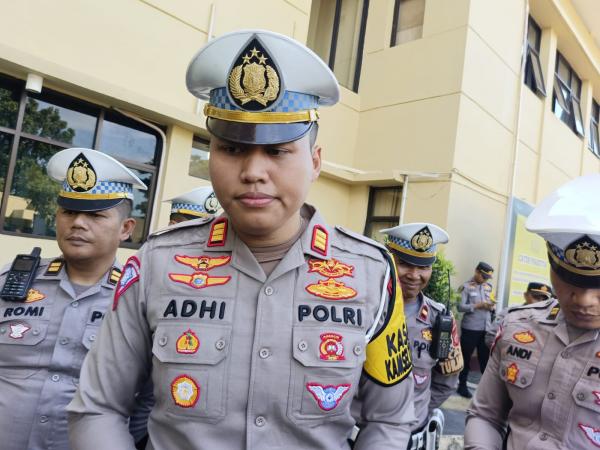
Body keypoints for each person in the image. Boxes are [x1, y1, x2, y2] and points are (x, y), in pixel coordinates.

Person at [67, 29, 416, 450]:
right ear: (209, 156)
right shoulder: (157, 263)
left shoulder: (372, 273)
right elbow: (98, 407)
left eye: (278, 151)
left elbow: (390, 421)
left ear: (315, 161)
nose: (253, 171)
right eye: (232, 149)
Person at [0, 148, 144, 450]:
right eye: (69, 212)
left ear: (126, 229)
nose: (78, 223)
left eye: (95, 215)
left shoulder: (139, 298)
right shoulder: (8, 282)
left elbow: (150, 401)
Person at [464, 174, 600, 449]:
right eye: (571, 283)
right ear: (551, 270)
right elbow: (485, 415)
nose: (584, 300)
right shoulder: (518, 326)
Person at [381, 223, 464, 450]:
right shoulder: (366, 308)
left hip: (411, 436)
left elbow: (447, 381)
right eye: (405, 264)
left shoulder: (440, 320)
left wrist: (416, 412)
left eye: (424, 267)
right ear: (389, 260)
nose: (414, 275)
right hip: (357, 431)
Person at [456, 261, 495, 398]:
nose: (485, 280)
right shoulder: (465, 287)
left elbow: (491, 305)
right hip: (470, 328)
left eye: (487, 278)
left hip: (486, 329)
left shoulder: (488, 287)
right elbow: (460, 307)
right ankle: (462, 386)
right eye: (483, 276)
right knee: (465, 359)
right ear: (476, 271)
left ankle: (485, 391)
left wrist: (491, 307)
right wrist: (477, 305)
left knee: (485, 360)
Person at [484, 281, 553, 348]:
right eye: (536, 297)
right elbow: (491, 337)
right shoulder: (509, 312)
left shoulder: (550, 320)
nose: (540, 302)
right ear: (526, 295)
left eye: (544, 299)